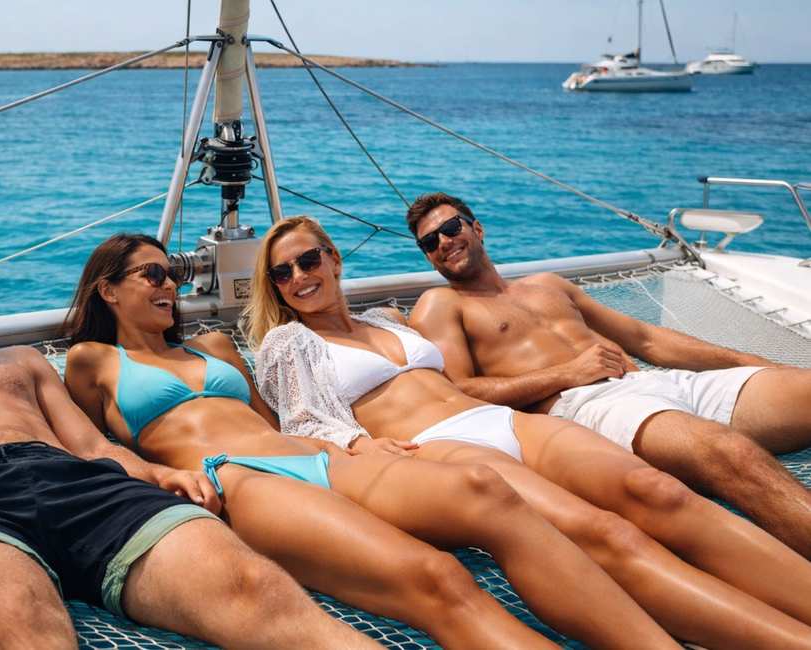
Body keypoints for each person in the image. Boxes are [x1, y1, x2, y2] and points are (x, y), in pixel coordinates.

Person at [0, 215, 376, 650]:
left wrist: (157, 472)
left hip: (82, 486)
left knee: (253, 586)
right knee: (18, 616)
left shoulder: (22, 363)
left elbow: (92, 446)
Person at [62, 233, 680, 649]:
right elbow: (91, 450)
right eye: (153, 274)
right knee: (431, 578)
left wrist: (354, 440)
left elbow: (283, 420)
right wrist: (161, 478)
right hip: (238, 478)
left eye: (172, 273)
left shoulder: (215, 346)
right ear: (109, 290)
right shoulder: (93, 361)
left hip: (322, 457)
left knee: (482, 492)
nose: (170, 284)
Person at [247, 215, 811, 649]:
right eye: (282, 272)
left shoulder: (386, 318)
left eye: (308, 260)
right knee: (602, 534)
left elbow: (468, 372)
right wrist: (359, 444)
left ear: (333, 258)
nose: (299, 277)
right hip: (439, 444)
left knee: (658, 492)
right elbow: (301, 423)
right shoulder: (288, 342)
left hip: (506, 421)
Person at [405, 191, 811, 560]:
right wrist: (567, 373)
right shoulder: (441, 304)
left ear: (476, 229)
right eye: (429, 242)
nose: (443, 242)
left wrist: (749, 362)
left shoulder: (547, 285)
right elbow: (456, 393)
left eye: (451, 228)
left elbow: (645, 339)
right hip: (590, 408)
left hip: (653, 383)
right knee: (729, 451)